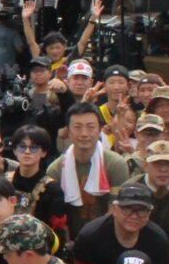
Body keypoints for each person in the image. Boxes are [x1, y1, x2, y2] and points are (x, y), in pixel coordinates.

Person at [70, 183, 169, 264]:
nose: (134, 216)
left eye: (142, 210)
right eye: (127, 209)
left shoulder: (159, 241)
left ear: (149, 213)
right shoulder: (90, 236)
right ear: (115, 209)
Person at [46, 103, 130, 240]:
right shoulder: (56, 169)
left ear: (99, 130)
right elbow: (56, 213)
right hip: (69, 238)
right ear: (69, 132)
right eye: (77, 127)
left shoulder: (115, 164)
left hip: (107, 236)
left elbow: (116, 209)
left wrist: (90, 238)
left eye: (90, 127)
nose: (84, 134)